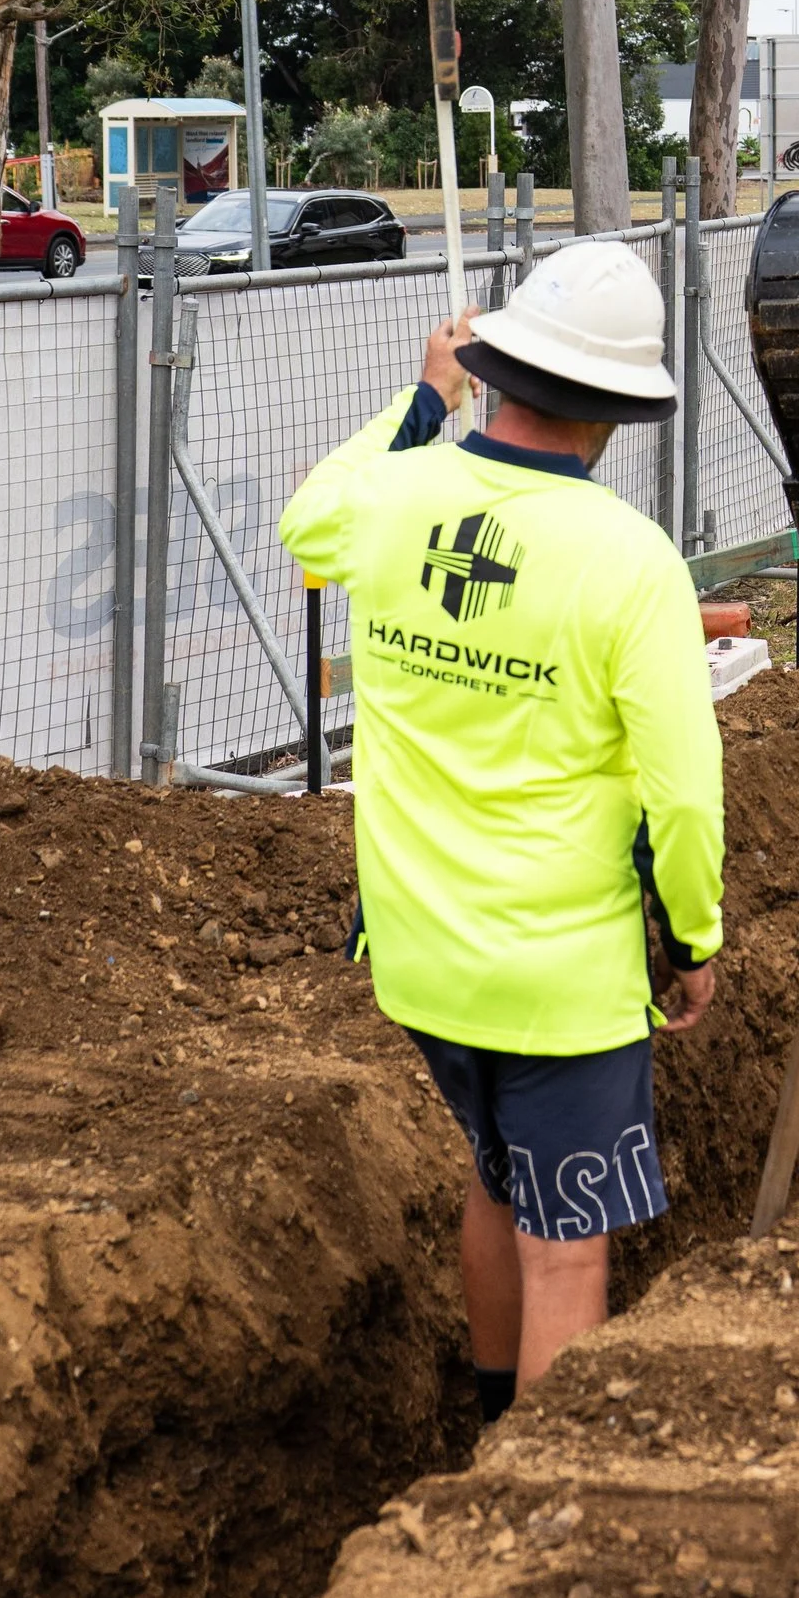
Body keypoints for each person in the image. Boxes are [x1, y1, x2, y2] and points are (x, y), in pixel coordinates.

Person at [279, 240, 723, 1419]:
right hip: (558, 983)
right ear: (618, 413)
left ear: (500, 367)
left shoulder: (395, 498)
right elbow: (682, 792)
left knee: (499, 1182)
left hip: (425, 967)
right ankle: (525, 1489)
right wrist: (693, 933)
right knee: (566, 1245)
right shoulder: (633, 564)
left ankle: (490, 1432)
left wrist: (425, 397)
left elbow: (307, 519)